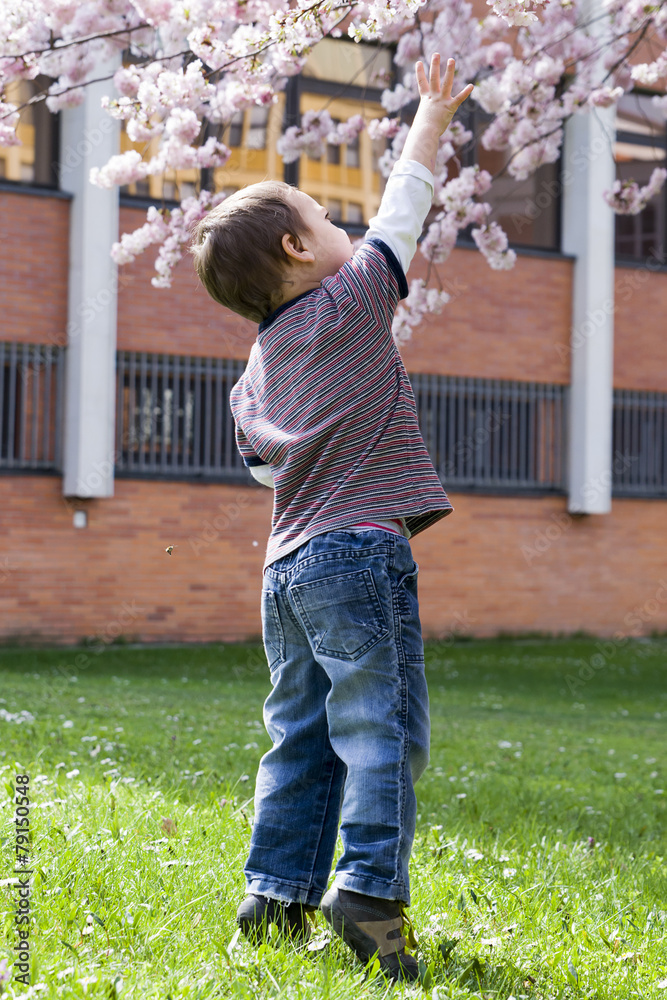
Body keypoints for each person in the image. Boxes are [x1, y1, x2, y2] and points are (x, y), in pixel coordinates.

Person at [191, 53, 473, 983]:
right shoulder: (350, 304)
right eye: (324, 220)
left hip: (286, 570)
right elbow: (403, 210)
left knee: (301, 731)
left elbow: (265, 472)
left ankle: (273, 894)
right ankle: (368, 897)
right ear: (296, 253)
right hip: (358, 552)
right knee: (380, 730)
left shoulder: (253, 372)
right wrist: (431, 112)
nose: (342, 227)